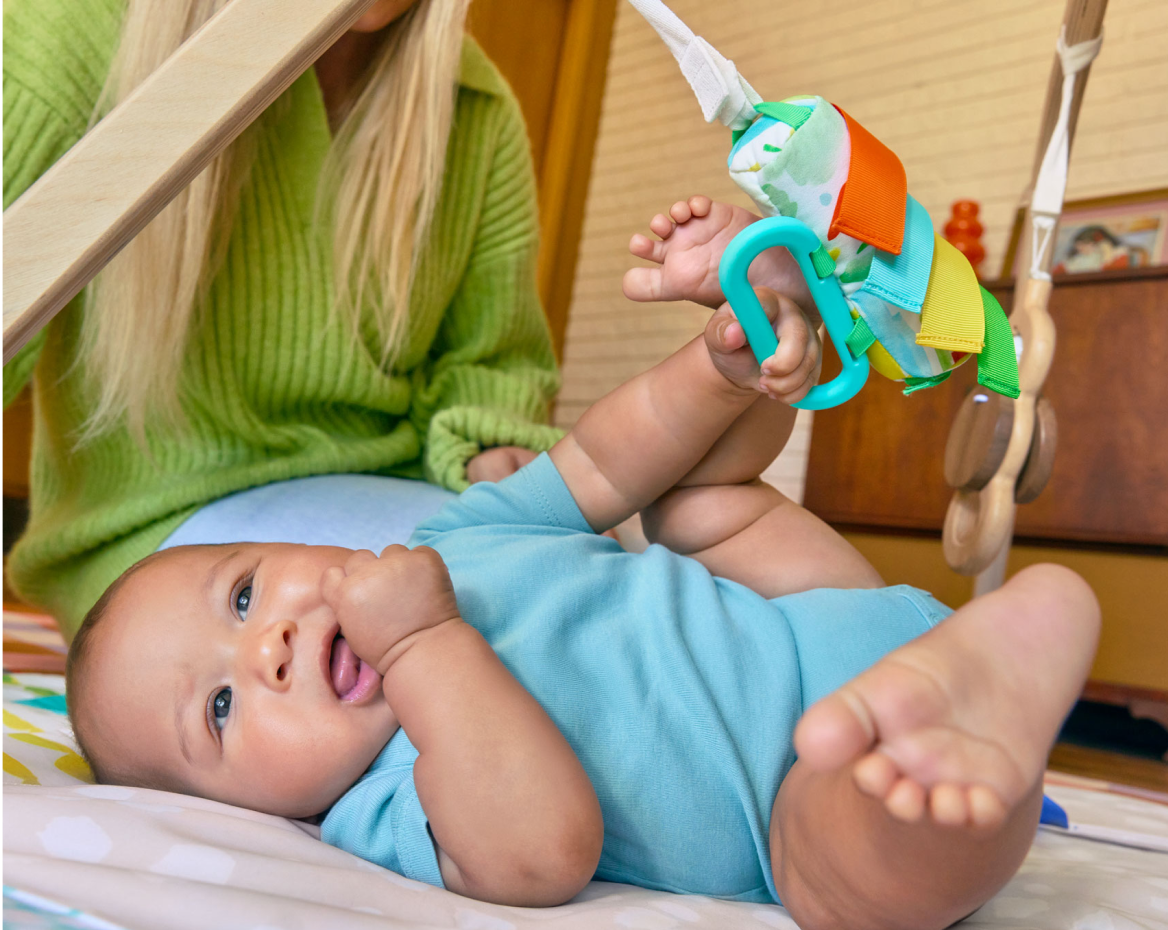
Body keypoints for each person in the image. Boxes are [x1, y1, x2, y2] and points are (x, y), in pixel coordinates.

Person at [64, 200, 1100, 928]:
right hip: (815, 773)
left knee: (687, 498)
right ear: (252, 814)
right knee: (842, 886)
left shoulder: (452, 539)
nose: (271, 647)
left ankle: (767, 320)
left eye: (245, 593)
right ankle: (979, 718)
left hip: (804, 611)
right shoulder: (382, 807)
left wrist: (709, 371)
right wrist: (421, 646)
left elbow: (603, 460)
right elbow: (543, 849)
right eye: (221, 710)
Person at [1, 0, 560, 637]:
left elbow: (489, 360)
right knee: (470, 632)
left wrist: (489, 447)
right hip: (151, 533)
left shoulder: (475, 106)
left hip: (386, 488)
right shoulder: (71, 31)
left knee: (580, 591)